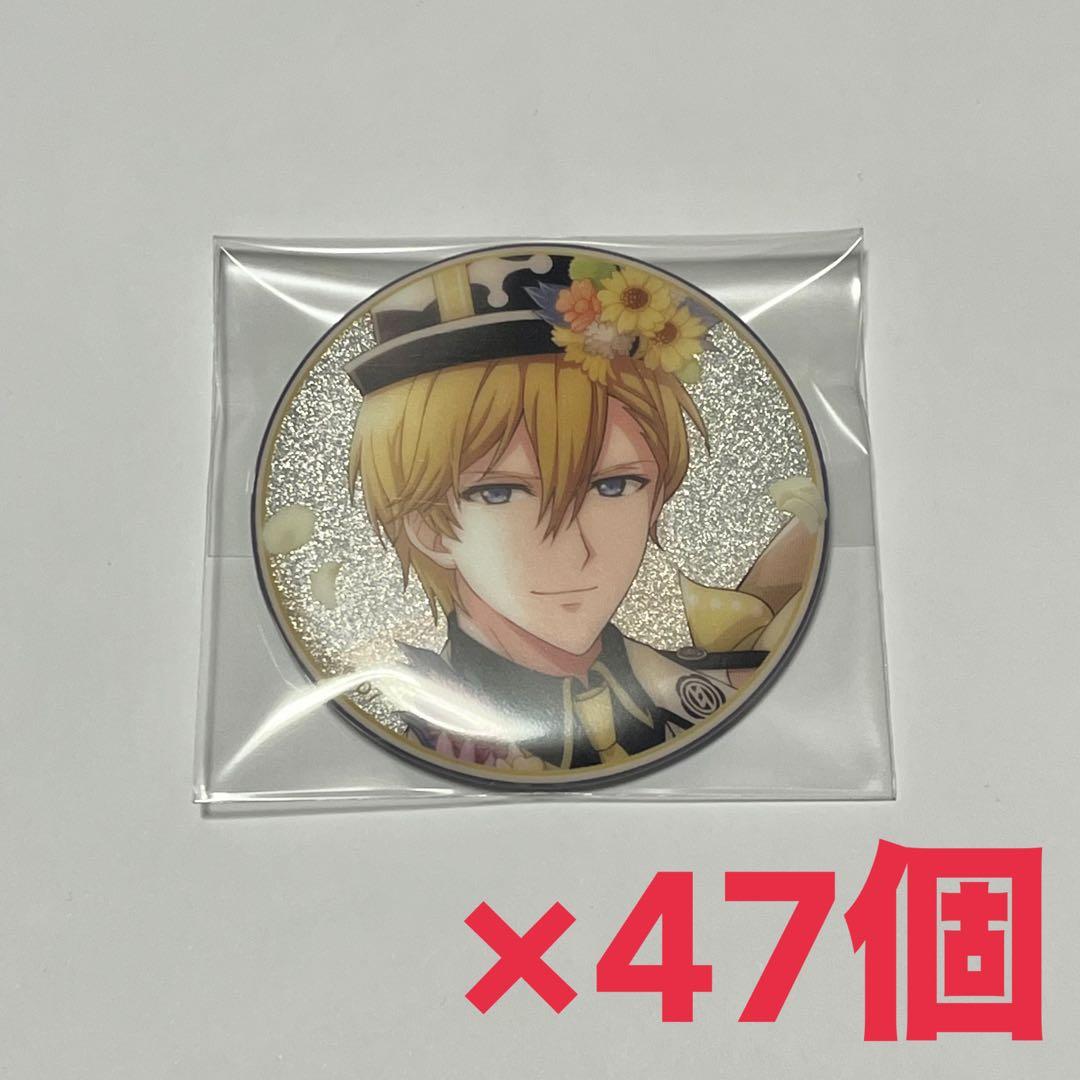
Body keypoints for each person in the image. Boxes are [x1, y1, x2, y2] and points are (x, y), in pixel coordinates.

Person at [343, 249, 824, 773]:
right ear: (428, 526)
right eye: (500, 494)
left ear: (655, 501)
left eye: (615, 485)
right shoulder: (406, 738)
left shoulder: (716, 695)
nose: (575, 550)